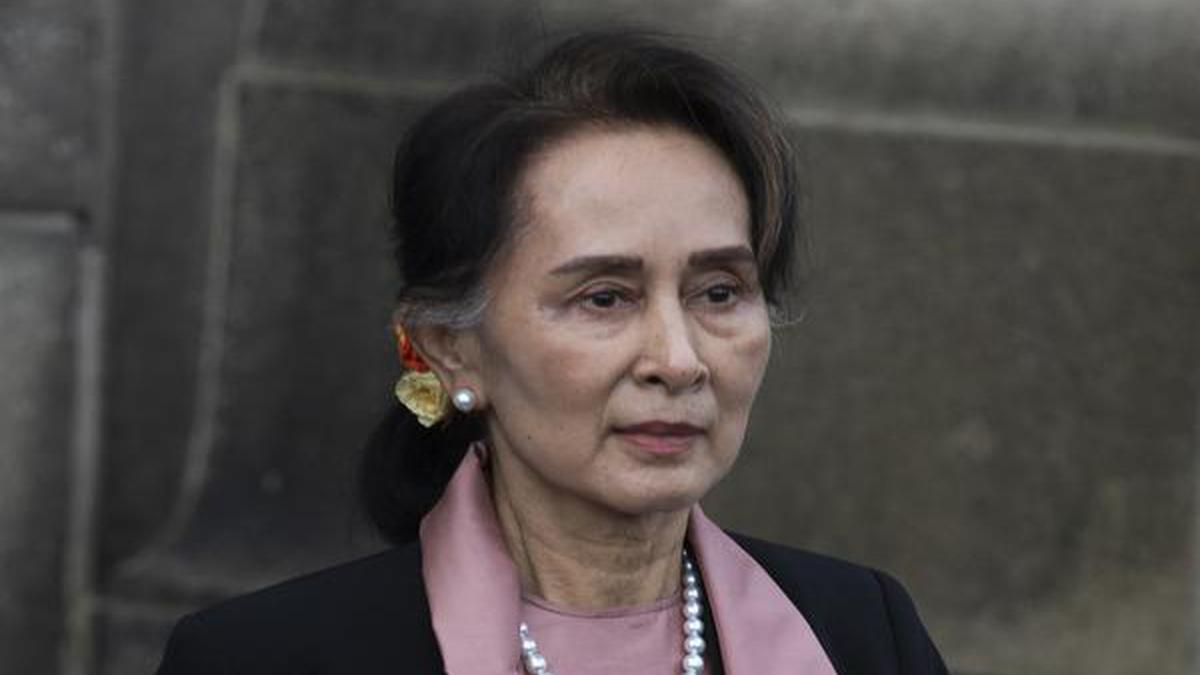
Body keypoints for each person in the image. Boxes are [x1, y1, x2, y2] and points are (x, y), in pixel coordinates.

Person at [156, 29, 949, 674]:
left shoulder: (862, 633)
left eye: (718, 292)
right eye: (604, 297)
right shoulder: (265, 658)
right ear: (449, 347)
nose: (678, 359)